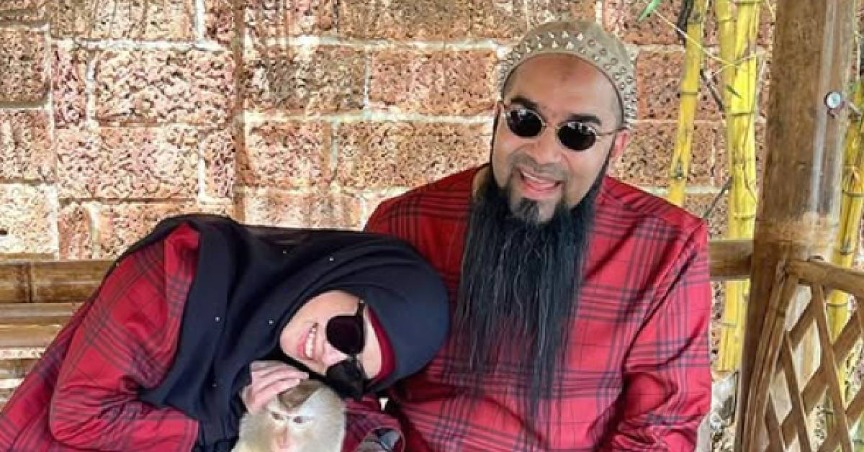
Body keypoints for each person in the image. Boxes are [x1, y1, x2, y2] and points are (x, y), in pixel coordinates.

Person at [349, 19, 712, 450]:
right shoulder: (407, 223)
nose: (542, 154)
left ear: (616, 146)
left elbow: (661, 427)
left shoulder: (666, 249)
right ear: (497, 118)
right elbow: (346, 378)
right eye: (525, 120)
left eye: (578, 134)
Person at [0, 214, 449, 451]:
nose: (328, 357)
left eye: (350, 371)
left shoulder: (307, 337)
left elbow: (349, 409)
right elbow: (78, 417)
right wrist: (225, 419)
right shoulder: (174, 274)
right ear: (350, 276)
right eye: (349, 334)